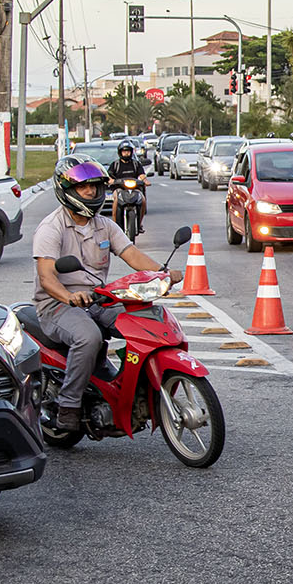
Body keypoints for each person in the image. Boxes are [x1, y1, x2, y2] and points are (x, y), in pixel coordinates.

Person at [32, 159, 182, 430]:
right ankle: (68, 406)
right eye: (83, 187)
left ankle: (134, 390)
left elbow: (132, 254)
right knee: (88, 336)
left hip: (99, 299)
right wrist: (69, 297)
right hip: (57, 305)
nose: (91, 192)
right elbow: (46, 277)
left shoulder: (105, 225)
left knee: (146, 321)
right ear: (67, 190)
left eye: (95, 186)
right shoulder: (51, 227)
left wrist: (163, 272)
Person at [108, 140, 148, 232]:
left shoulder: (136, 164)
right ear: (120, 152)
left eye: (128, 151)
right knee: (116, 200)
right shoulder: (115, 164)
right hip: (119, 188)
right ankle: (115, 225)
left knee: (142, 201)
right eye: (124, 151)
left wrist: (145, 180)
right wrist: (111, 181)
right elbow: (109, 176)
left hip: (134, 188)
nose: (126, 153)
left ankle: (140, 224)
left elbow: (142, 175)